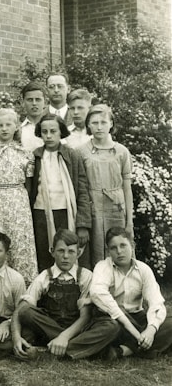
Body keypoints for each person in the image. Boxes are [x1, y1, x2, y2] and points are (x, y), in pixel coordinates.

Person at [12, 230, 119, 360]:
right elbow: (21, 309)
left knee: (112, 325)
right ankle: (86, 350)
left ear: (78, 253)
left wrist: (64, 337)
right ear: (52, 252)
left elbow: (85, 317)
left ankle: (47, 352)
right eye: (61, 251)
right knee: (26, 311)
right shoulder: (45, 276)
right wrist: (16, 337)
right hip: (49, 329)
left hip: (78, 329)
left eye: (71, 251)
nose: (66, 256)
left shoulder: (86, 276)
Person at [90, 227, 172, 359]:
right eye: (113, 248)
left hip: (137, 318)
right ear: (108, 250)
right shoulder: (103, 266)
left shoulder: (143, 269)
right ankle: (144, 346)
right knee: (110, 327)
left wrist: (151, 330)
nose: (119, 252)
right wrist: (135, 332)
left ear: (132, 245)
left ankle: (124, 350)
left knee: (168, 320)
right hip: (113, 319)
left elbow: (156, 301)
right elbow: (97, 292)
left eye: (123, 245)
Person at [0, 108, 38, 284]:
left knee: (20, 243)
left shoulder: (26, 154)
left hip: (18, 201)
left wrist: (18, 199)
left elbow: (28, 185)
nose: (4, 129)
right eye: (0, 125)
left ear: (16, 126)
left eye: (8, 125)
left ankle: (23, 286)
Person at [29, 114, 91, 271]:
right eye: (44, 132)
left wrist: (82, 224)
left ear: (61, 132)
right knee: (44, 253)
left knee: (66, 251)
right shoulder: (34, 156)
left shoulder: (72, 155)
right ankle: (46, 289)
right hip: (40, 213)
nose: (48, 136)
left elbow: (83, 191)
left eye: (53, 131)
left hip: (65, 212)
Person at [76, 104, 133, 266]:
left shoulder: (122, 152)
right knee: (95, 254)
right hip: (92, 210)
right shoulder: (81, 152)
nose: (99, 127)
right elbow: (79, 189)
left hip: (116, 210)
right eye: (94, 123)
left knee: (119, 250)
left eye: (103, 122)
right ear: (88, 125)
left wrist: (129, 222)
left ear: (111, 123)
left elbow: (127, 189)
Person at [19, 81, 45, 152]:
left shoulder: (53, 126)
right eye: (30, 100)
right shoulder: (19, 129)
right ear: (23, 103)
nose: (34, 103)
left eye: (38, 100)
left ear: (45, 102)